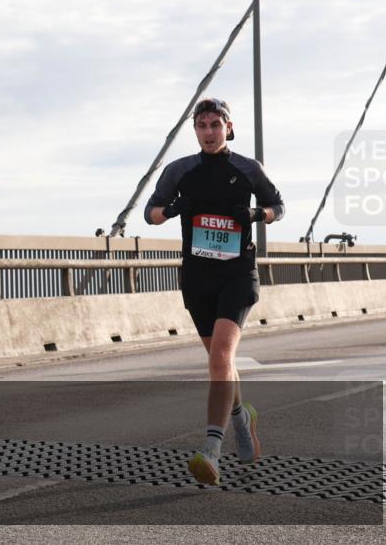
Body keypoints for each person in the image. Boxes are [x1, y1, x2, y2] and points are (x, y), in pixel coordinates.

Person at [144, 98, 284, 485]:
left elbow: (278, 205)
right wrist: (173, 210)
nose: (208, 132)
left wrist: (257, 215)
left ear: (228, 127)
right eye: (202, 126)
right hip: (197, 276)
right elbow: (150, 214)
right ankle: (242, 417)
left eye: (215, 125)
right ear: (195, 130)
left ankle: (211, 448)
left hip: (237, 274)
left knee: (221, 356)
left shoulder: (247, 168)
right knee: (221, 363)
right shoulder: (180, 170)